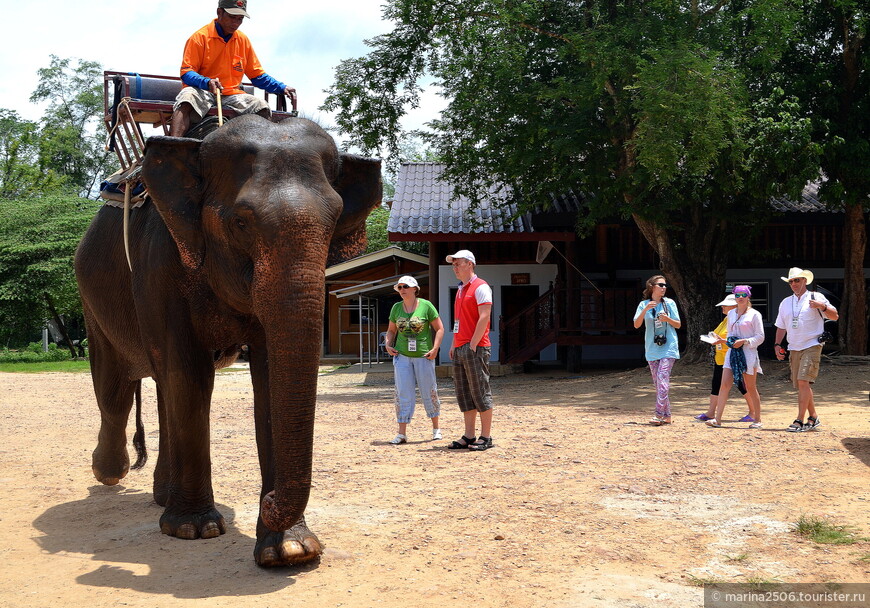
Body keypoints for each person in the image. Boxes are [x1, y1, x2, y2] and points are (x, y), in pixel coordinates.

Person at [169, 0, 297, 137]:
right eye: (232, 17)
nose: (236, 23)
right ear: (219, 12)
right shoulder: (199, 37)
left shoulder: (243, 40)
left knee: (261, 106)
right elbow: (186, 72)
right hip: (202, 90)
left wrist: (281, 87)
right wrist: (207, 82)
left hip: (231, 94)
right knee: (187, 98)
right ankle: (173, 149)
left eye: (240, 19)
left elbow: (257, 75)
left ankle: (261, 153)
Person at [774, 267, 839, 432]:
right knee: (802, 385)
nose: (794, 284)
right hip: (794, 346)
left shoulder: (816, 297)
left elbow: (835, 316)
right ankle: (813, 417)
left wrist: (822, 306)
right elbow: (781, 326)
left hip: (812, 344)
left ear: (804, 281)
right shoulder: (785, 302)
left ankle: (799, 420)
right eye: (791, 281)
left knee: (803, 381)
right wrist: (777, 345)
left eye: (797, 280)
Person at [383, 276, 444, 444]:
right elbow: (391, 330)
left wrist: (435, 348)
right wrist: (388, 345)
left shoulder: (426, 306)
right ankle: (401, 433)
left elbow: (439, 329)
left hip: (423, 356)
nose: (402, 289)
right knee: (402, 392)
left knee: (429, 390)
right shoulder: (396, 308)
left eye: (405, 286)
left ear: (415, 289)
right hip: (402, 356)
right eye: (400, 287)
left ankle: (436, 429)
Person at [446, 250, 495, 451]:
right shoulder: (460, 289)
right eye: (454, 265)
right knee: (464, 393)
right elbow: (458, 320)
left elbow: (484, 316)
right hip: (459, 346)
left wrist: (473, 343)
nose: (455, 268)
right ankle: (469, 435)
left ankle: (486, 436)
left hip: (475, 346)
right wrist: (453, 343)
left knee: (480, 390)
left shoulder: (480, 286)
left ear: (470, 264)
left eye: (458, 264)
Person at [706, 285, 764, 429]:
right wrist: (724, 341)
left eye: (743, 295)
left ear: (748, 296)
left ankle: (757, 419)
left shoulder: (755, 314)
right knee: (724, 384)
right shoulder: (731, 314)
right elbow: (731, 335)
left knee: (750, 386)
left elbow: (760, 337)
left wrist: (745, 341)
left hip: (748, 353)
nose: (740, 297)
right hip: (732, 353)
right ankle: (718, 419)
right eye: (737, 295)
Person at [694, 294, 753, 422]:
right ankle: (711, 412)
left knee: (742, 386)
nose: (723, 308)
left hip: (734, 358)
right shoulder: (726, 320)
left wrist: (720, 341)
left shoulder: (739, 319)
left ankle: (753, 412)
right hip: (721, 359)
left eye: (725, 305)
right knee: (717, 385)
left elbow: (736, 340)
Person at [633, 275, 681, 425]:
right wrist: (645, 309)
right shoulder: (644, 304)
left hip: (669, 347)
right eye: (661, 285)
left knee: (662, 380)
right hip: (652, 349)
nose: (664, 287)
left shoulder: (670, 303)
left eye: (665, 285)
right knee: (658, 383)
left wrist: (667, 319)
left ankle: (659, 414)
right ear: (652, 287)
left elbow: (678, 324)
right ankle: (667, 415)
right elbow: (636, 325)